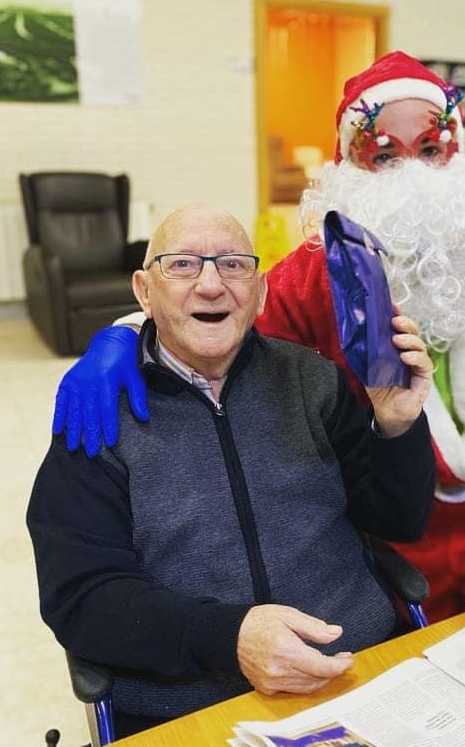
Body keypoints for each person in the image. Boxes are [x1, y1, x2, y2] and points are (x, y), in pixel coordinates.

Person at [50, 51, 465, 623]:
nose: (413, 173)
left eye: (430, 148)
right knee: (414, 669)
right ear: (350, 164)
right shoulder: (321, 267)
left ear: (457, 146)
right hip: (406, 518)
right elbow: (228, 323)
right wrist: (127, 336)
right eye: (384, 154)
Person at [27, 204, 436, 738]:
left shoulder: (314, 382)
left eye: (233, 265)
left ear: (261, 293)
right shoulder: (99, 413)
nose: (211, 285)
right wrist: (230, 637)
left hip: (353, 669)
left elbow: (399, 522)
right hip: (188, 704)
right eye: (182, 265)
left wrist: (397, 426)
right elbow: (81, 596)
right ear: (144, 292)